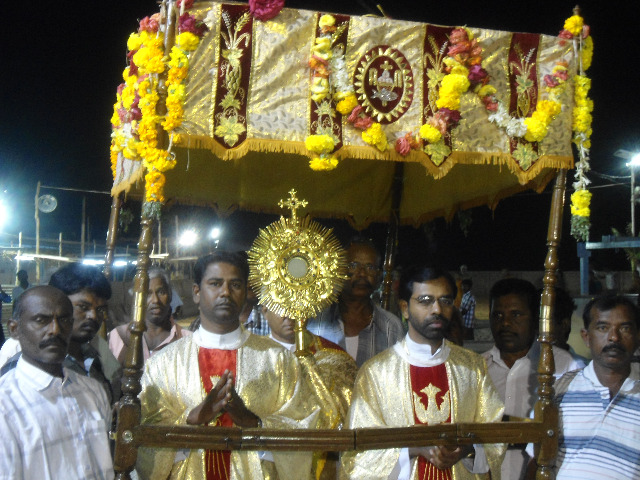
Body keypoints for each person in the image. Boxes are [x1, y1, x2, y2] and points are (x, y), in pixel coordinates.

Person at [137, 251, 322, 479]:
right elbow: (144, 436)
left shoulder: (278, 360)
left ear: (245, 292)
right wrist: (190, 420)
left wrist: (254, 423)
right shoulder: (163, 363)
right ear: (196, 292)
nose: (225, 292)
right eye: (215, 284)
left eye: (235, 285)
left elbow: (303, 425)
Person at [341, 266, 505, 479]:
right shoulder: (376, 373)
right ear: (405, 308)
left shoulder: (472, 367)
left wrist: (468, 450)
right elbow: (357, 453)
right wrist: (412, 449)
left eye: (445, 301)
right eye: (425, 300)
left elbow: (495, 435)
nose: (437, 309)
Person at [0, 286, 113, 478]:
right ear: (14, 329)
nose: (55, 330)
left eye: (64, 320)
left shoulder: (92, 390)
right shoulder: (5, 406)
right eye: (41, 320)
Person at [527, 295, 640, 479]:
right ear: (586, 337)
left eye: (624, 328)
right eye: (603, 327)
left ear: (637, 336)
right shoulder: (559, 390)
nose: (614, 337)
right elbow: (537, 460)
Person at [482, 278, 580, 480]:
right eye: (497, 315)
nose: (505, 323)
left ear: (535, 319)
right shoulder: (477, 369)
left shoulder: (562, 366)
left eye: (516, 314)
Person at [1, 263, 122, 404]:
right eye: (83, 307)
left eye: (100, 309)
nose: (93, 316)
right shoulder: (24, 364)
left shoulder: (94, 352)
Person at [263, 305, 358, 479]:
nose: (290, 313)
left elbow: (347, 413)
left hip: (320, 457)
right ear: (264, 310)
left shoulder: (334, 356)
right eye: (281, 305)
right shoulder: (252, 354)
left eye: (297, 305)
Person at [307, 236, 404, 366]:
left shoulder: (391, 327)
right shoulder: (315, 321)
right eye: (353, 266)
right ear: (339, 270)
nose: (362, 274)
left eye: (370, 267)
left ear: (378, 275)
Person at [109, 267, 191, 365]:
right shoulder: (118, 336)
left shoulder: (187, 340)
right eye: (147, 293)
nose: (155, 300)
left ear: (170, 296)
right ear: (136, 299)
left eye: (161, 292)